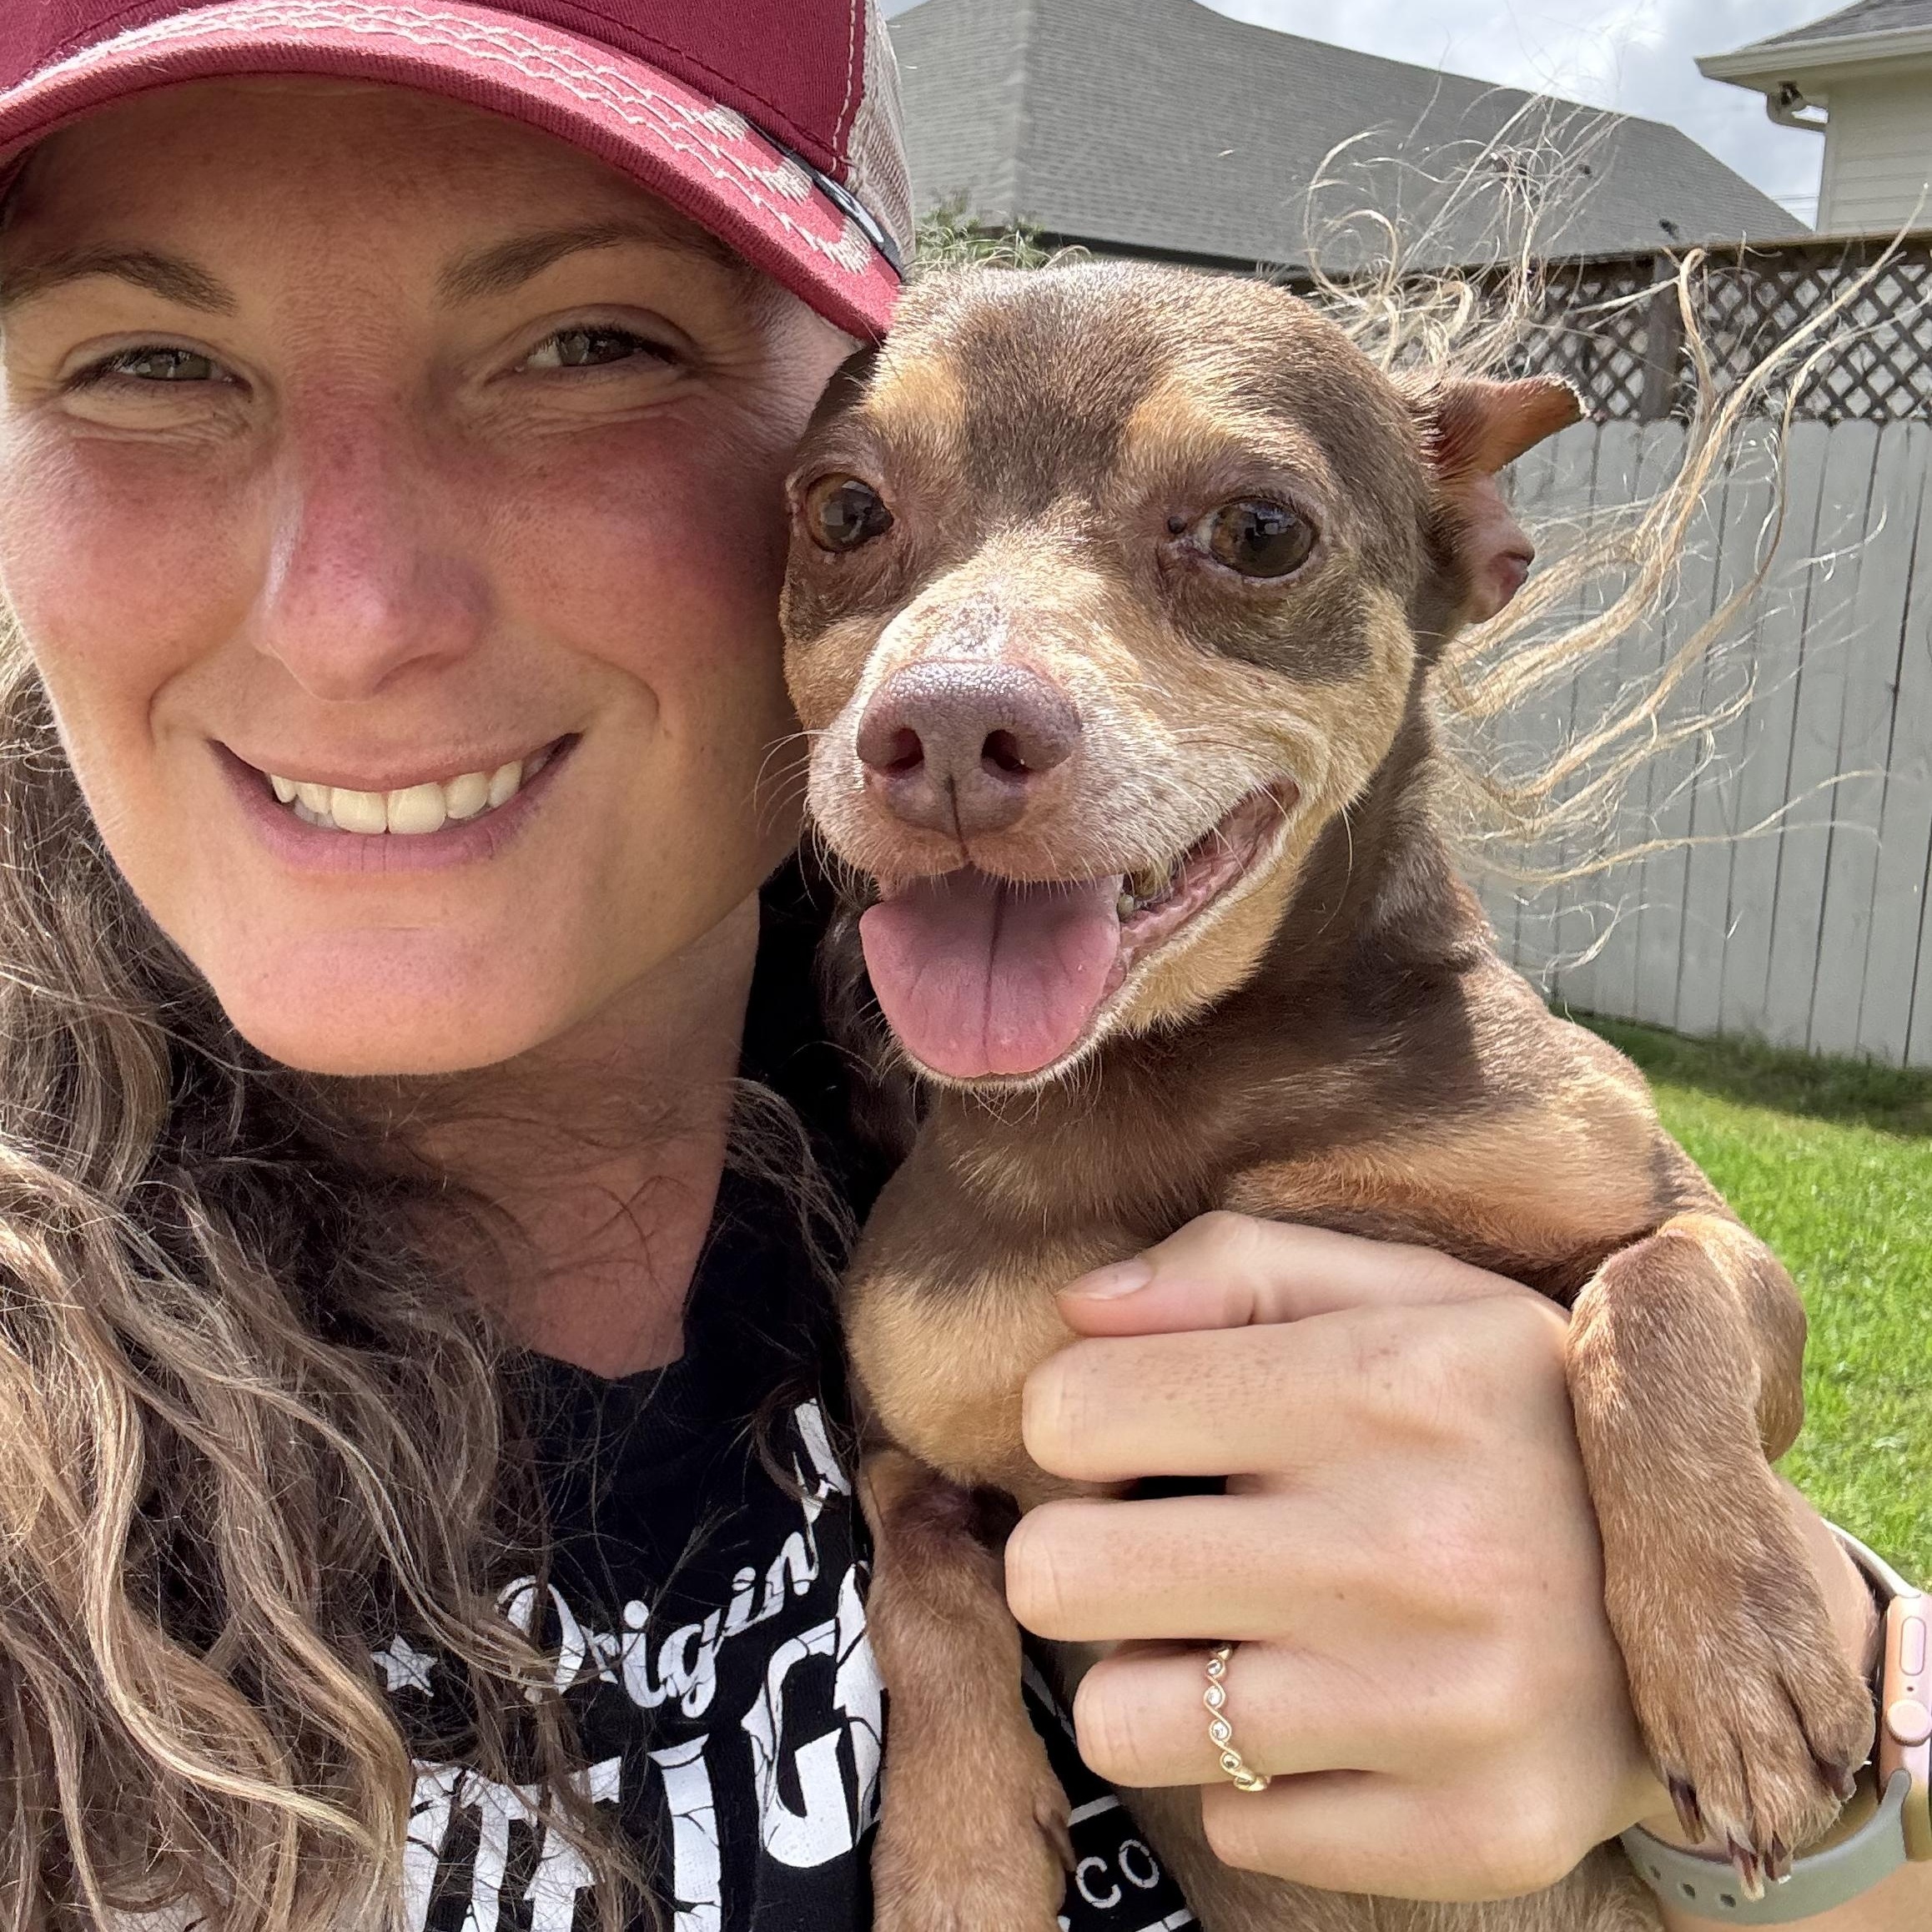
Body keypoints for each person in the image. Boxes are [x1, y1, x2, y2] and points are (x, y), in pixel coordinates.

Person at [0, 3, 1913, 1929]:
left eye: (587, 344)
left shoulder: (1215, 1093)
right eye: (144, 362)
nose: (352, 617)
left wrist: (1813, 1768)